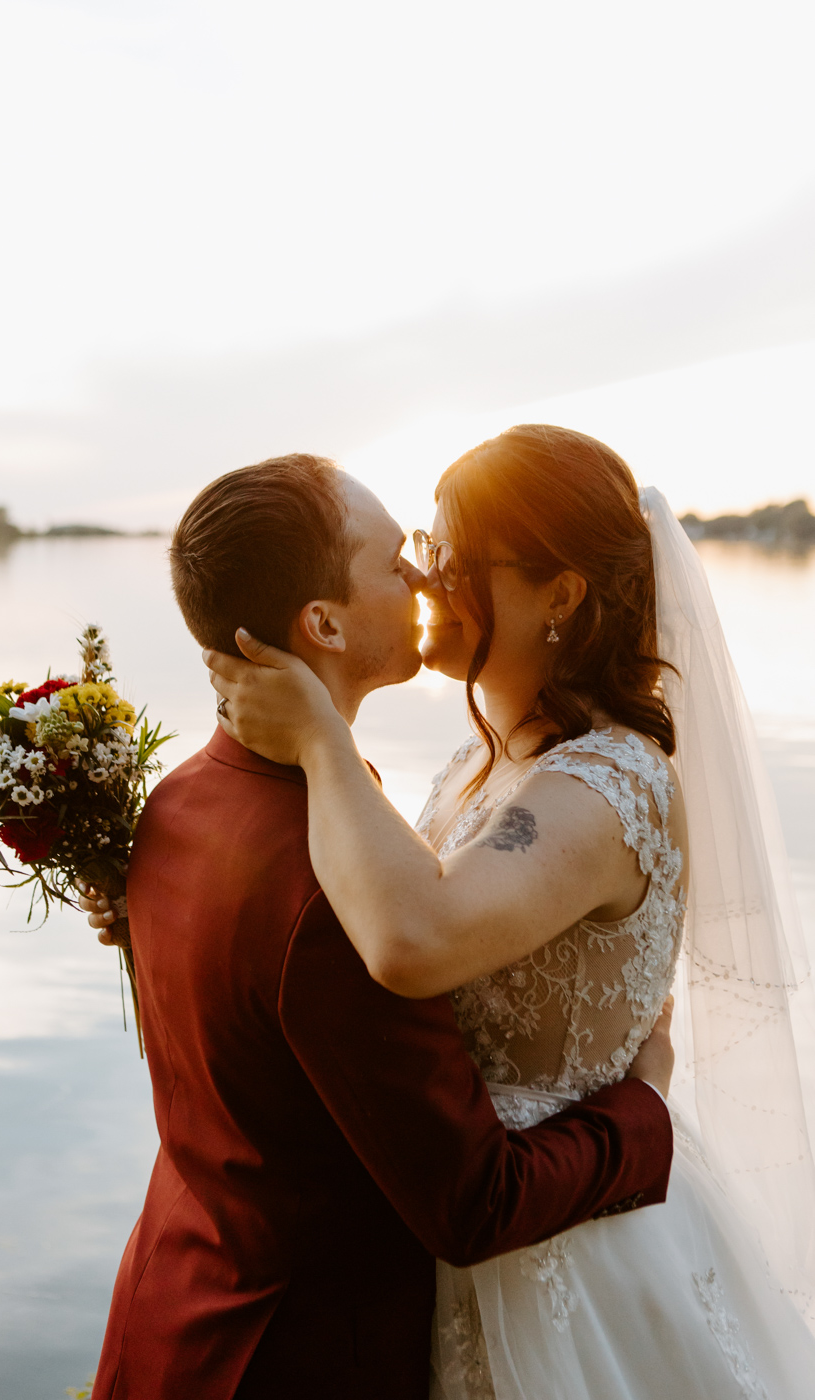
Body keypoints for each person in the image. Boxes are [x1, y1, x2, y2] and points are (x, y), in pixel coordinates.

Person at [208, 426, 815, 1398]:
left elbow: (418, 937)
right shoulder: (482, 761)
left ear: (561, 594)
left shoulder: (609, 781)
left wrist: (321, 736)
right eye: (421, 540)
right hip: (470, 1215)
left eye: (451, 554)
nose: (421, 571)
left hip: (568, 1251)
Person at [83, 453, 675, 1400]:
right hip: (297, 1351)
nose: (423, 575)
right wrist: (647, 1111)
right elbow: (472, 1201)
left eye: (440, 551)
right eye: (401, 555)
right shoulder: (337, 892)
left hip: (176, 1302)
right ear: (321, 623)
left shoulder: (182, 805)